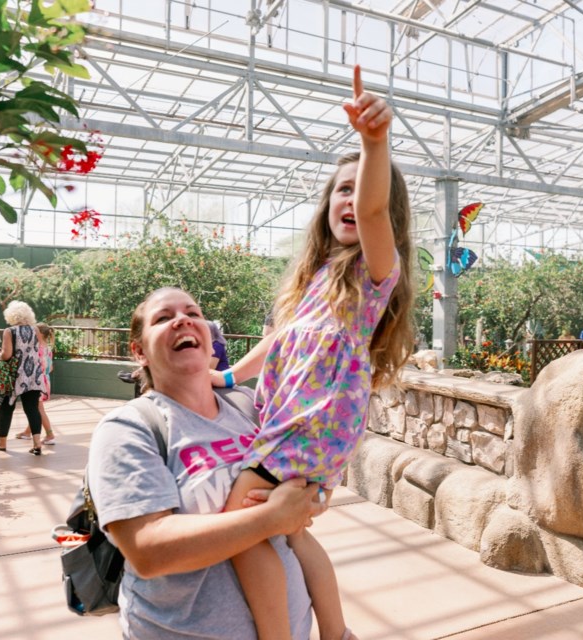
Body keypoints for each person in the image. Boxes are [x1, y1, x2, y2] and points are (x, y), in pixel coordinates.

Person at [211, 64, 415, 640]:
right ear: (326, 203)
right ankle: (337, 634)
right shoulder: (318, 275)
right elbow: (277, 343)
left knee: (241, 522)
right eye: (341, 189)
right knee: (293, 532)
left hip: (315, 424)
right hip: (291, 419)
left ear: (385, 207)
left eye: (364, 189)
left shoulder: (376, 272)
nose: (352, 200)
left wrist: (373, 142)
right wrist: (226, 379)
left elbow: (373, 211)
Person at [87, 286, 329, 640]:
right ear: (139, 351)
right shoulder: (130, 428)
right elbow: (148, 550)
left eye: (193, 313)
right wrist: (271, 517)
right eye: (164, 318)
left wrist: (313, 499)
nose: (182, 319)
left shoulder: (248, 407)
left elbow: (304, 498)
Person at [0, 300, 46, 455]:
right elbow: (38, 350)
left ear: (11, 315)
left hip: (13, 376)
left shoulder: (10, 331)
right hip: (33, 374)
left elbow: (7, 355)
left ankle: (2, 443)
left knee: (6, 408)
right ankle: (37, 444)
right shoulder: (35, 330)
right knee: (32, 408)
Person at [16, 322, 56, 444]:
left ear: (39, 333)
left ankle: (50, 435)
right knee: (34, 408)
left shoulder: (36, 348)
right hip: (45, 380)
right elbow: (51, 368)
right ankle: (27, 432)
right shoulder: (47, 348)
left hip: (37, 381)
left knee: (38, 409)